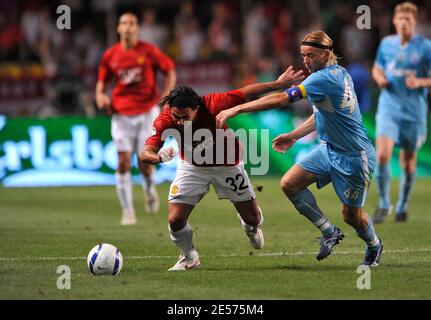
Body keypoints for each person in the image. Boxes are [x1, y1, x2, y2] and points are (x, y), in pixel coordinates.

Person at [216, 31, 384, 266]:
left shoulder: (322, 79)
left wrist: (238, 109)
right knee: (289, 184)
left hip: (354, 156)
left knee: (352, 217)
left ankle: (374, 245)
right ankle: (329, 232)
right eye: (303, 55)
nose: (306, 61)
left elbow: (281, 100)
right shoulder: (339, 73)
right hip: (329, 149)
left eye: (311, 55)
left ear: (326, 54)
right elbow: (322, 116)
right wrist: (294, 136)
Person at [140, 67, 304, 271]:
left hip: (227, 165)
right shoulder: (164, 120)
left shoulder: (213, 103)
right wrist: (157, 157)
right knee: (175, 219)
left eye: (185, 116)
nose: (180, 122)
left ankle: (250, 226)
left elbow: (245, 91)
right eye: (176, 116)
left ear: (196, 108)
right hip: (192, 167)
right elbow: (144, 153)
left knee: (252, 218)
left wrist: (277, 85)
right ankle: (189, 258)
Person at [96, 12, 176, 225]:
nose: (128, 27)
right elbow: (101, 83)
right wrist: (100, 96)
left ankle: (149, 187)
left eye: (132, 23)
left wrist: (167, 94)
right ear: (118, 29)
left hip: (146, 112)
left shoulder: (148, 51)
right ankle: (128, 211)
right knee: (122, 161)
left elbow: (169, 70)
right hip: (121, 114)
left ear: (137, 28)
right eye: (124, 23)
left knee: (144, 161)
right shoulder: (111, 55)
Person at [372, 2, 431, 223]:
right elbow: (377, 67)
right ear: (395, 21)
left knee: (408, 161)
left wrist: (421, 81)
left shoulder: (425, 47)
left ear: (414, 23)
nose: (404, 23)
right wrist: (379, 78)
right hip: (389, 107)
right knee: (383, 155)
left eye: (409, 19)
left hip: (414, 111)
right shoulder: (386, 44)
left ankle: (403, 205)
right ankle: (383, 203)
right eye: (401, 19)